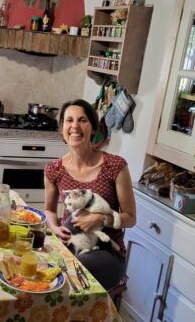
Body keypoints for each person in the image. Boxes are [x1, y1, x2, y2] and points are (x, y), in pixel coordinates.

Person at [44, 99, 136, 290]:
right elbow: (49, 210)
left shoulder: (115, 166)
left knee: (68, 272)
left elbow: (130, 218)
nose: (75, 126)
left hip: (107, 252)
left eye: (82, 120)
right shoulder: (54, 170)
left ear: (93, 129)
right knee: (39, 264)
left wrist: (101, 219)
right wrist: (54, 227)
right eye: (69, 121)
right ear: (62, 129)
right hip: (71, 244)